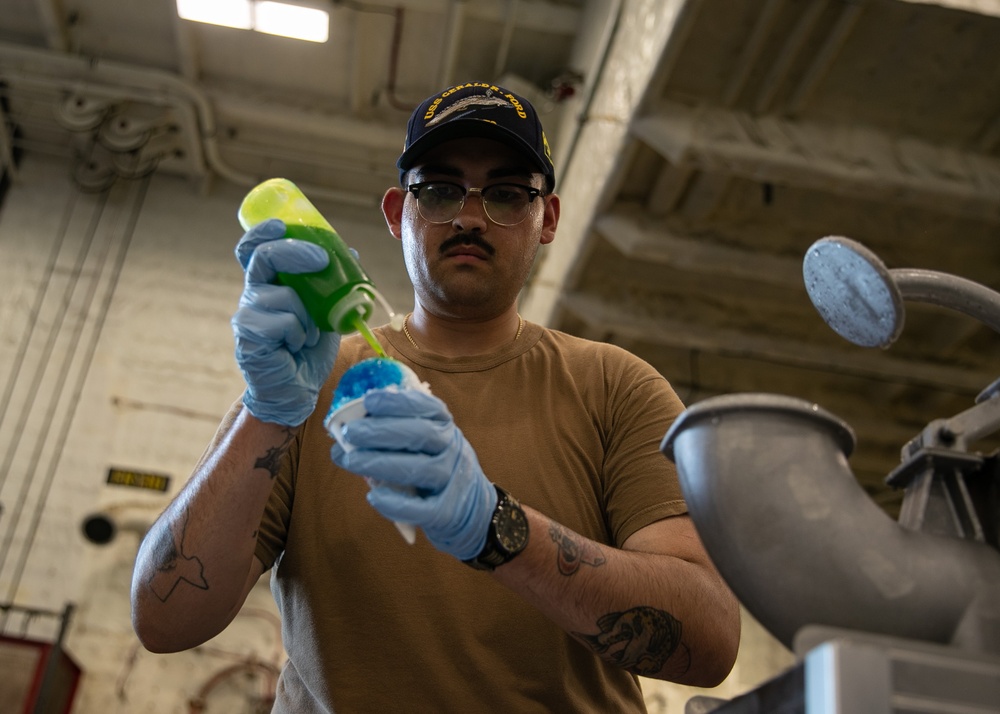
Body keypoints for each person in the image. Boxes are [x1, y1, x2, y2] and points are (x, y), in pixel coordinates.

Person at [131, 83, 741, 712]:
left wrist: (494, 530)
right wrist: (267, 410)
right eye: (441, 190)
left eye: (507, 194)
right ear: (398, 213)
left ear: (548, 218)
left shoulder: (618, 387)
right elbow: (164, 619)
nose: (470, 218)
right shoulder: (309, 383)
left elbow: (710, 641)